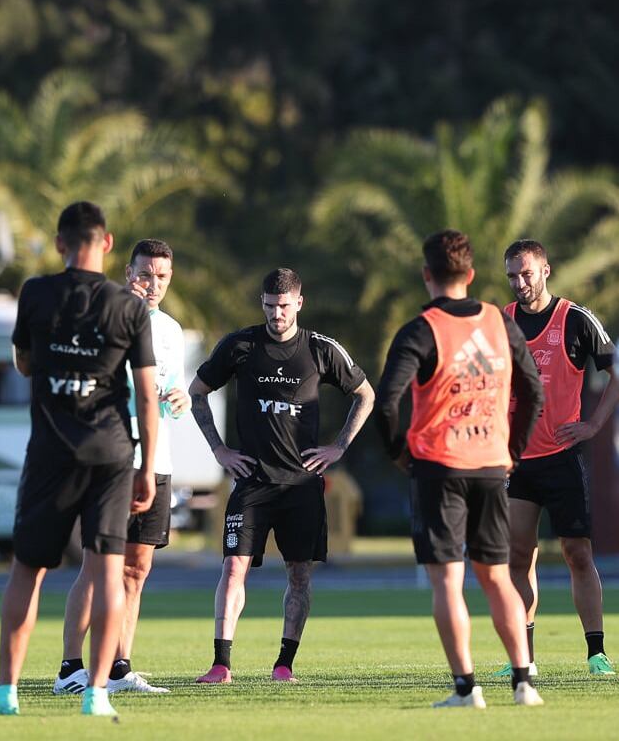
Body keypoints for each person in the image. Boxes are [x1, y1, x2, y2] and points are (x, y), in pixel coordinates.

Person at [0, 201, 159, 718]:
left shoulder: (35, 293)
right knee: (107, 573)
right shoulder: (130, 307)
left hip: (52, 452)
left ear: (59, 244)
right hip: (113, 454)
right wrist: (147, 466)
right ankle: (97, 693)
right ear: (108, 243)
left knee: (27, 571)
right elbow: (146, 394)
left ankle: (6, 693)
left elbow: (24, 362)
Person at [375, 229, 545, 708]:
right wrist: (512, 447)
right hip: (493, 466)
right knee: (496, 576)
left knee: (448, 580)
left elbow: (388, 401)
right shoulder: (499, 321)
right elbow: (534, 390)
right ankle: (524, 684)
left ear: (427, 275)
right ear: (471, 275)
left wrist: (398, 453)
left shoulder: (420, 329)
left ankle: (467, 689)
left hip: (439, 467)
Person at [189, 268, 374, 685]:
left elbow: (366, 394)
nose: (277, 315)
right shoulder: (239, 345)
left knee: (299, 574)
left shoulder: (321, 350)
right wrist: (219, 450)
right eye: (270, 306)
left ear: (299, 304)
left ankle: (284, 665)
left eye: (284, 306)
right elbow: (197, 391)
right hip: (252, 481)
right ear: (263, 303)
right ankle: (221, 664)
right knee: (234, 568)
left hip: (302, 484)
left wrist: (339, 447)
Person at [54, 238, 189, 696]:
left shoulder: (171, 331)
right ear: (128, 272)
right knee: (97, 566)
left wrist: (181, 399)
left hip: (156, 460)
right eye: (146, 274)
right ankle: (70, 669)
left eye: (163, 277)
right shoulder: (101, 318)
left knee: (136, 569)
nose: (154, 285)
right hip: (112, 460)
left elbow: (165, 397)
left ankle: (118, 667)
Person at [492, 239, 618, 677]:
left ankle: (596, 653)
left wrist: (594, 425)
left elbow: (614, 374)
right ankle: (523, 660)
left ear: (546, 270)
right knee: (517, 557)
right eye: (511, 275)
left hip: (562, 458)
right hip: (517, 464)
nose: (519, 282)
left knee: (577, 554)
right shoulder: (501, 322)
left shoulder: (576, 320)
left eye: (526, 273)